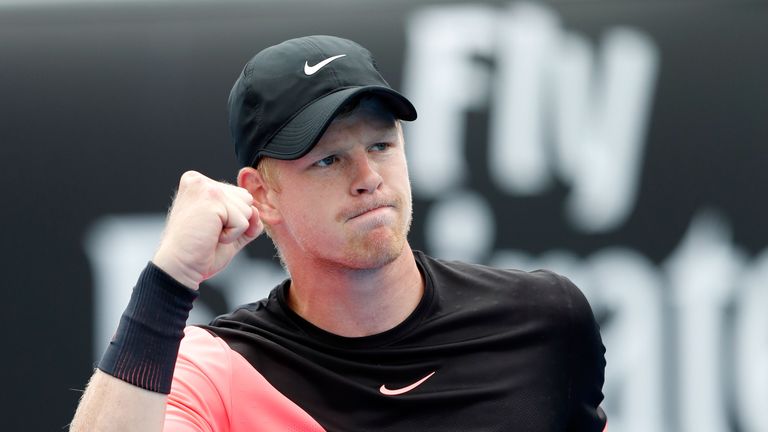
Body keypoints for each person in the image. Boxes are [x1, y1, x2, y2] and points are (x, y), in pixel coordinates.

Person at [70, 35, 607, 431]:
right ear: (262, 195)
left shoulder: (544, 321)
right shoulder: (219, 369)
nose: (369, 179)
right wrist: (169, 280)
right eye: (328, 160)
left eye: (381, 145)